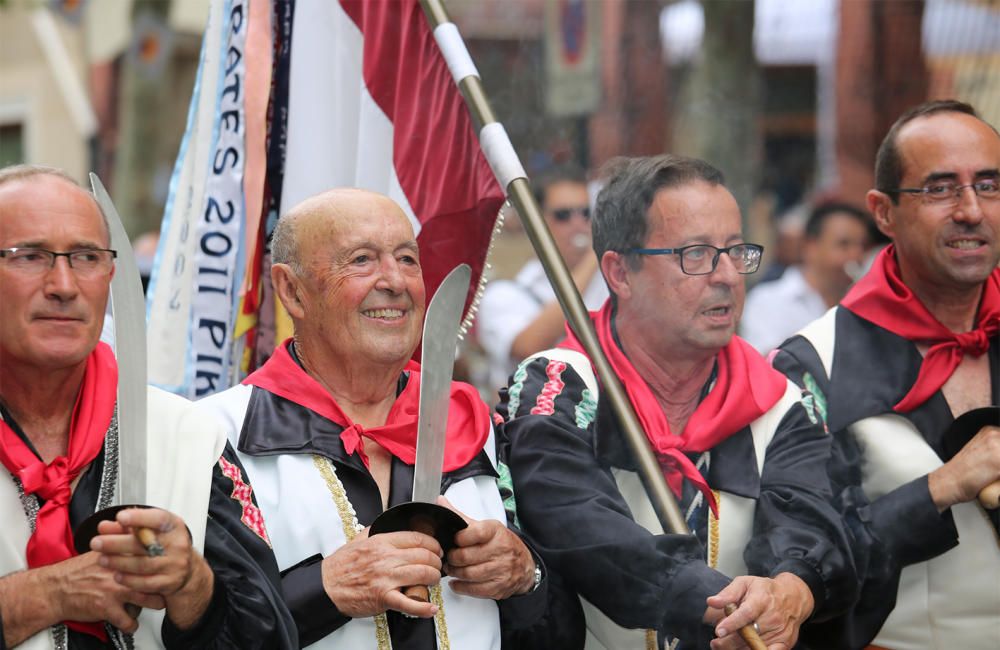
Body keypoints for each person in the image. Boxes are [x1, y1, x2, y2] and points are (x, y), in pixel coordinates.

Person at [496, 155, 855, 649]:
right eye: (697, 255)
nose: (727, 275)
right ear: (620, 272)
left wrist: (788, 592)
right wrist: (722, 605)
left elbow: (812, 521)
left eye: (735, 251)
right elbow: (576, 525)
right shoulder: (559, 384)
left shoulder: (777, 399)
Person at [197, 188, 572, 649]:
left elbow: (558, 629)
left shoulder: (474, 426)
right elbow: (193, 635)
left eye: (407, 259)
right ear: (292, 290)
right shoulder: (216, 438)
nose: (395, 281)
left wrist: (524, 575)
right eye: (361, 260)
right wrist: (326, 588)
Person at [0, 165, 296, 649]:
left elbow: (268, 637)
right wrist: (45, 594)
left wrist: (193, 588)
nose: (64, 284)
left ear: (110, 275)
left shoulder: (188, 438)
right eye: (29, 256)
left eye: (86, 257)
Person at [773, 99, 1000, 649]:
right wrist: (942, 488)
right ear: (883, 212)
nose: (971, 210)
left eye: (990, 185)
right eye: (941, 189)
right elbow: (800, 559)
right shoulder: (812, 363)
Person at [477, 166, 608, 392]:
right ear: (537, 221)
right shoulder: (504, 294)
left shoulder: (613, 279)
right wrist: (595, 255)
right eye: (563, 215)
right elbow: (528, 347)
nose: (578, 224)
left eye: (586, 213)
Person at [741, 202, 872, 353]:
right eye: (844, 245)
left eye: (862, 246)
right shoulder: (768, 300)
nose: (856, 256)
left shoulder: (864, 305)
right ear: (811, 246)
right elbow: (767, 364)